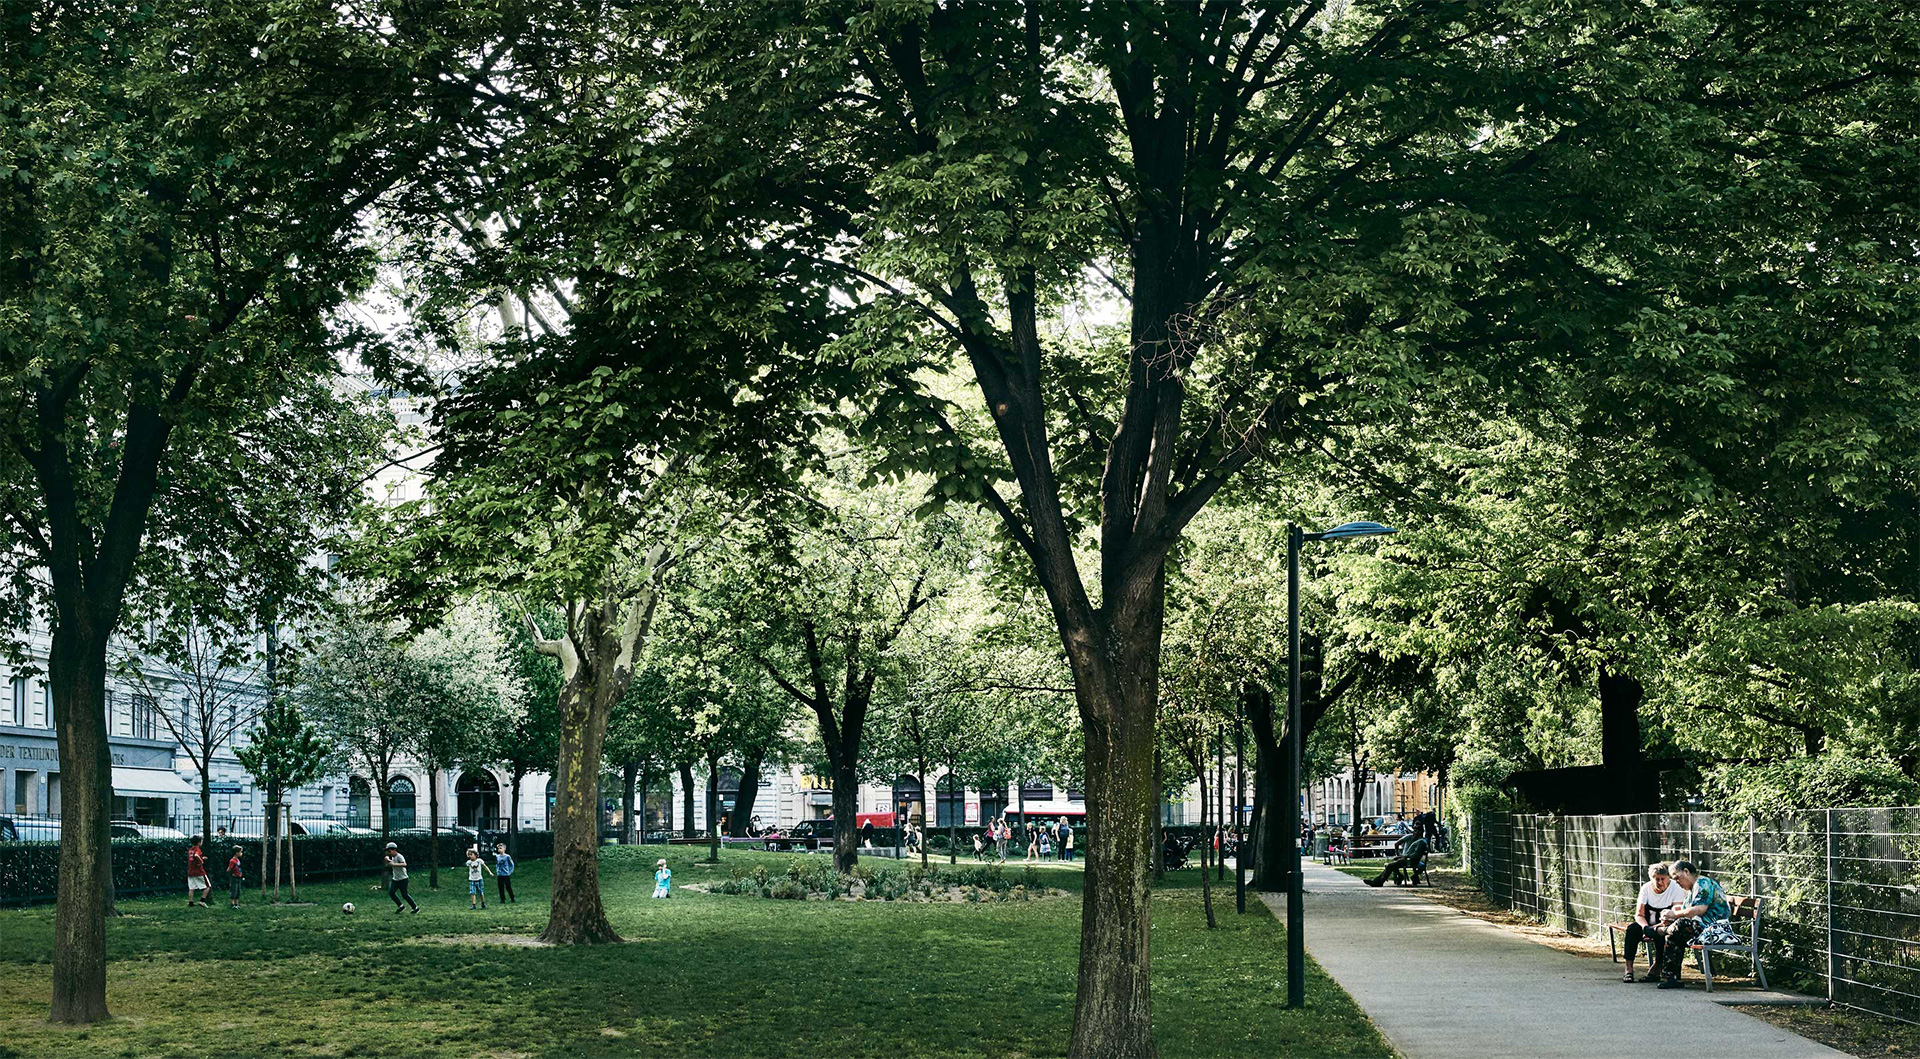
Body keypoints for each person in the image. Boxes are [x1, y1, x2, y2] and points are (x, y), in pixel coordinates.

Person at [1656, 859, 1731, 989]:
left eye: (1677, 878)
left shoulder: (1703, 883)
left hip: (1715, 929)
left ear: (1686, 872)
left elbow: (1699, 909)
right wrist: (1670, 916)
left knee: (1679, 926)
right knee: (1675, 932)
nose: (1677, 882)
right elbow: (1686, 911)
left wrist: (1674, 916)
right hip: (1703, 928)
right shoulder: (1691, 890)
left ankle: (1665, 930)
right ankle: (1671, 978)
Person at [1623, 862, 1685, 982]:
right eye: (1656, 879)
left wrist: (1656, 927)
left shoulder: (1676, 889)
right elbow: (1639, 914)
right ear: (1652, 878)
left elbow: (1677, 913)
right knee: (1632, 930)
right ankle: (1628, 969)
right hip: (1646, 922)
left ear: (1668, 878)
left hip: (1666, 924)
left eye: (1663, 879)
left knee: (1664, 935)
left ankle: (1657, 966)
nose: (1660, 882)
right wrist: (1645, 927)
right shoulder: (1646, 888)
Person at [1362, 832, 1430, 887]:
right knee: (1391, 864)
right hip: (1408, 860)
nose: (1413, 833)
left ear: (1420, 832)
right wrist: (1401, 856)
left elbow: (1416, 855)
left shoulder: (1420, 842)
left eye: (1416, 831)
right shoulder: (1420, 841)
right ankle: (1377, 881)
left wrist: (1406, 856)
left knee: (1390, 866)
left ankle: (1379, 882)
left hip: (1410, 861)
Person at [385, 842, 419, 913]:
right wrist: (388, 861)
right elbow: (389, 865)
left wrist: (394, 864)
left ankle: (415, 907)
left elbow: (404, 864)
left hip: (403, 879)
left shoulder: (399, 856)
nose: (389, 853)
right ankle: (400, 906)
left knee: (404, 895)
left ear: (394, 850)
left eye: (389, 851)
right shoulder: (393, 857)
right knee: (391, 892)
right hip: (396, 879)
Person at [186, 837, 211, 907]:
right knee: (207, 886)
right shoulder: (197, 849)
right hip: (199, 871)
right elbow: (196, 855)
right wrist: (201, 861)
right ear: (199, 842)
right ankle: (202, 901)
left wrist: (202, 857)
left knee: (191, 888)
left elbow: (193, 858)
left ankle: (191, 903)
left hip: (191, 871)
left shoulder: (190, 850)